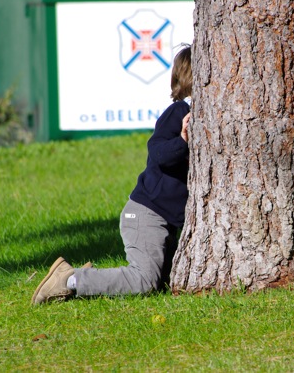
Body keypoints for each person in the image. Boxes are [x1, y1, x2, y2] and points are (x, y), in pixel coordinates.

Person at [32, 46, 193, 304]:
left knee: (165, 282)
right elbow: (158, 152)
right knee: (143, 280)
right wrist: (182, 140)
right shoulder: (179, 112)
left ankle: (89, 276)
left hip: (163, 221)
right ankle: (69, 280)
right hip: (147, 214)